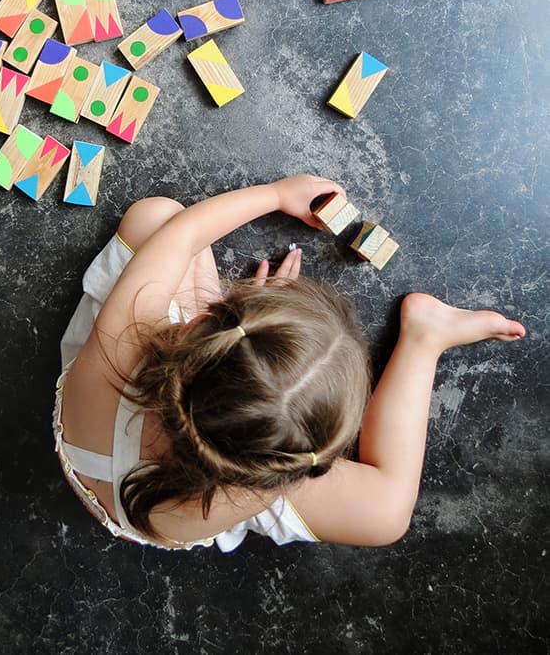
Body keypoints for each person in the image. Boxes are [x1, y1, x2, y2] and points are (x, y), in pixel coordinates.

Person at [52, 175, 525, 552]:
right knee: (387, 516)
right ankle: (425, 338)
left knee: (157, 217)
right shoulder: (250, 490)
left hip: (95, 443)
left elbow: (183, 232)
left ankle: (419, 334)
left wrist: (276, 194)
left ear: (204, 331)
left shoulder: (121, 341)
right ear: (295, 466)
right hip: (154, 505)